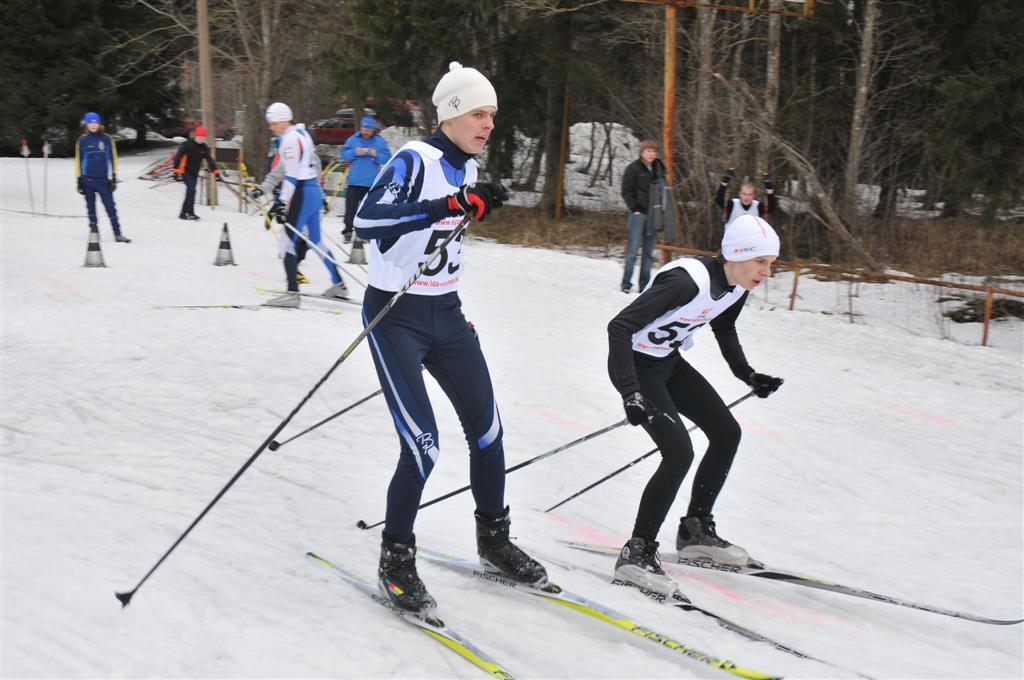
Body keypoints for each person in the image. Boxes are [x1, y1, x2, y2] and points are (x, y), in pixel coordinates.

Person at [354, 62, 547, 618]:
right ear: (453, 113)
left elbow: (446, 229)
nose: (489, 124)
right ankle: (396, 559)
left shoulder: (467, 167)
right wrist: (448, 206)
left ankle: (494, 542)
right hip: (396, 316)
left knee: (488, 432)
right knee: (423, 445)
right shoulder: (414, 160)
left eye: (492, 115)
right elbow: (367, 222)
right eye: (480, 114)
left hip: (447, 313)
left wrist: (473, 202)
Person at [606, 213, 784, 596]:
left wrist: (748, 375)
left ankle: (695, 530)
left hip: (667, 362)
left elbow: (724, 327)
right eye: (761, 261)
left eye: (771, 263)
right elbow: (619, 327)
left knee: (726, 433)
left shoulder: (736, 286)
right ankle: (637, 552)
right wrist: (630, 392)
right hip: (635, 366)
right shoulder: (685, 282)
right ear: (737, 255)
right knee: (679, 453)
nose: (767, 272)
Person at [261, 102, 347, 307]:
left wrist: (281, 203)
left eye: (274, 123)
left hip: (302, 192)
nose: (271, 127)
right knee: (315, 241)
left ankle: (292, 293)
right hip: (312, 191)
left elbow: (291, 176)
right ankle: (339, 285)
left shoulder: (289, 140)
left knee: (286, 243)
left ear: (284, 120)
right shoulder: (301, 133)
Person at [620, 141, 667, 294]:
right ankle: (626, 284)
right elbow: (625, 190)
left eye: (654, 151)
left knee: (648, 253)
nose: (651, 154)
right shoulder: (633, 168)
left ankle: (644, 285)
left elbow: (664, 191)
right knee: (632, 252)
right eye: (648, 151)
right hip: (638, 215)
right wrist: (634, 208)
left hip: (654, 215)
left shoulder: (658, 168)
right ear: (641, 152)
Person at [75, 112, 130, 242]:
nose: (93, 125)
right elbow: (79, 161)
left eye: (95, 122)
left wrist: (113, 177)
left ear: (99, 124)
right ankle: (94, 233)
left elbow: (113, 159)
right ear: (86, 125)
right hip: (87, 179)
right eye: (90, 123)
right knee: (91, 208)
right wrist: (79, 179)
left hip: (103, 180)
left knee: (111, 207)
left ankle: (118, 234)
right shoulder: (82, 140)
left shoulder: (107, 139)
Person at [339, 115, 391, 243]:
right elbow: (343, 154)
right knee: (350, 209)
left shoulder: (379, 141)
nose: (366, 131)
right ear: (361, 128)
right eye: (364, 128)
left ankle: (367, 232)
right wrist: (355, 152)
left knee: (368, 209)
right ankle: (348, 230)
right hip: (354, 181)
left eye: (369, 129)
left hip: (370, 183)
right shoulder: (353, 139)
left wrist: (376, 154)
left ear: (373, 129)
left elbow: (388, 158)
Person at [172, 126, 220, 220]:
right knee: (191, 190)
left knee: (192, 192)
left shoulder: (203, 147)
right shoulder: (187, 145)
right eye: (200, 137)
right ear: (196, 136)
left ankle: (188, 212)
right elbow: (178, 157)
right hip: (185, 171)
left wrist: (215, 171)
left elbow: (209, 159)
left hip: (194, 173)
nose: (201, 139)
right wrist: (175, 171)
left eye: (203, 137)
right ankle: (185, 213)